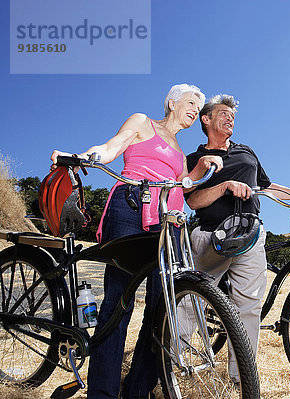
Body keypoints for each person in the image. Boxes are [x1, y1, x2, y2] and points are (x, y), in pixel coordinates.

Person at [50, 84, 222, 399]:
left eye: (199, 107)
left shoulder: (181, 154)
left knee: (161, 308)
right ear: (172, 102)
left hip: (167, 222)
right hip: (129, 205)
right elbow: (113, 146)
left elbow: (183, 186)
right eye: (191, 103)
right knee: (118, 301)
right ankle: (102, 393)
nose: (196, 110)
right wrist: (87, 157)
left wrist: (202, 166)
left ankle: (138, 390)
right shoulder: (143, 123)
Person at [185, 94, 290, 382]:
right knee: (189, 301)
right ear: (206, 120)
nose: (230, 117)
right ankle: (175, 365)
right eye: (223, 113)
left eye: (232, 114)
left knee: (248, 306)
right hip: (210, 237)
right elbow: (193, 201)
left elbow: (267, 187)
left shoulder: (246, 151)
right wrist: (224, 187)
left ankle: (241, 377)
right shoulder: (195, 159)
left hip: (249, 235)